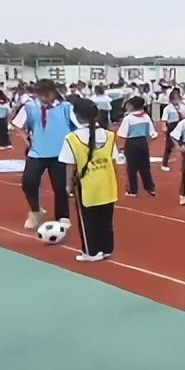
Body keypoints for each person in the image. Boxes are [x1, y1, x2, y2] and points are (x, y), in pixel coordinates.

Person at [59, 97, 121, 262]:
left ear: (77, 116)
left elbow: (70, 165)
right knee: (106, 219)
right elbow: (114, 161)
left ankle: (91, 251)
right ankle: (107, 248)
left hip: (86, 184)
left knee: (88, 220)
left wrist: (68, 185)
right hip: (107, 182)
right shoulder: (109, 135)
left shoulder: (72, 138)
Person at [12, 79, 77, 229]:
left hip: (60, 153)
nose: (44, 98)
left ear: (54, 92)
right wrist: (25, 137)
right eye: (40, 94)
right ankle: (35, 211)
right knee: (28, 183)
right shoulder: (30, 106)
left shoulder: (66, 107)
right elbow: (17, 123)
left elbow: (76, 126)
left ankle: (63, 216)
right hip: (37, 152)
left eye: (47, 94)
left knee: (60, 187)